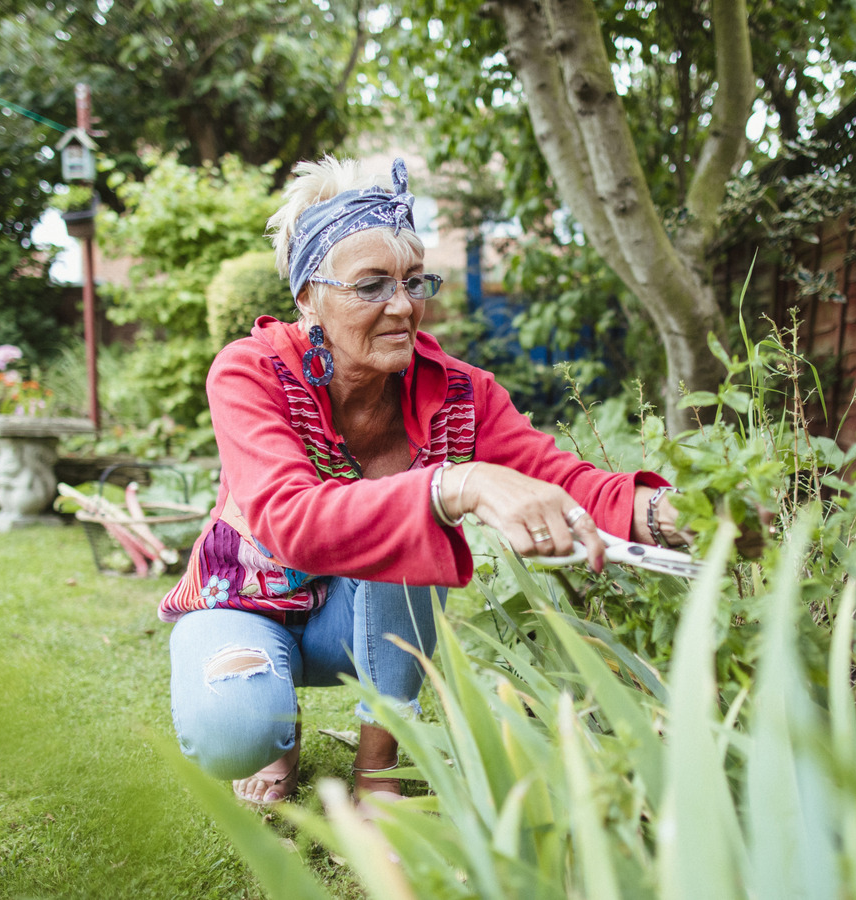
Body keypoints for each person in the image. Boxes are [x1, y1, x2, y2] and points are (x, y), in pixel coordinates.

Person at [161, 157, 686, 808]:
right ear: (307, 296)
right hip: (241, 604)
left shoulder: (461, 392)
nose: (404, 306)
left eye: (414, 281)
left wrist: (667, 513)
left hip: (351, 625)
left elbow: (560, 478)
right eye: (372, 285)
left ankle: (378, 773)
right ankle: (274, 729)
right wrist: (454, 484)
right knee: (237, 732)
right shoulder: (252, 373)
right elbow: (289, 519)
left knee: (409, 538)